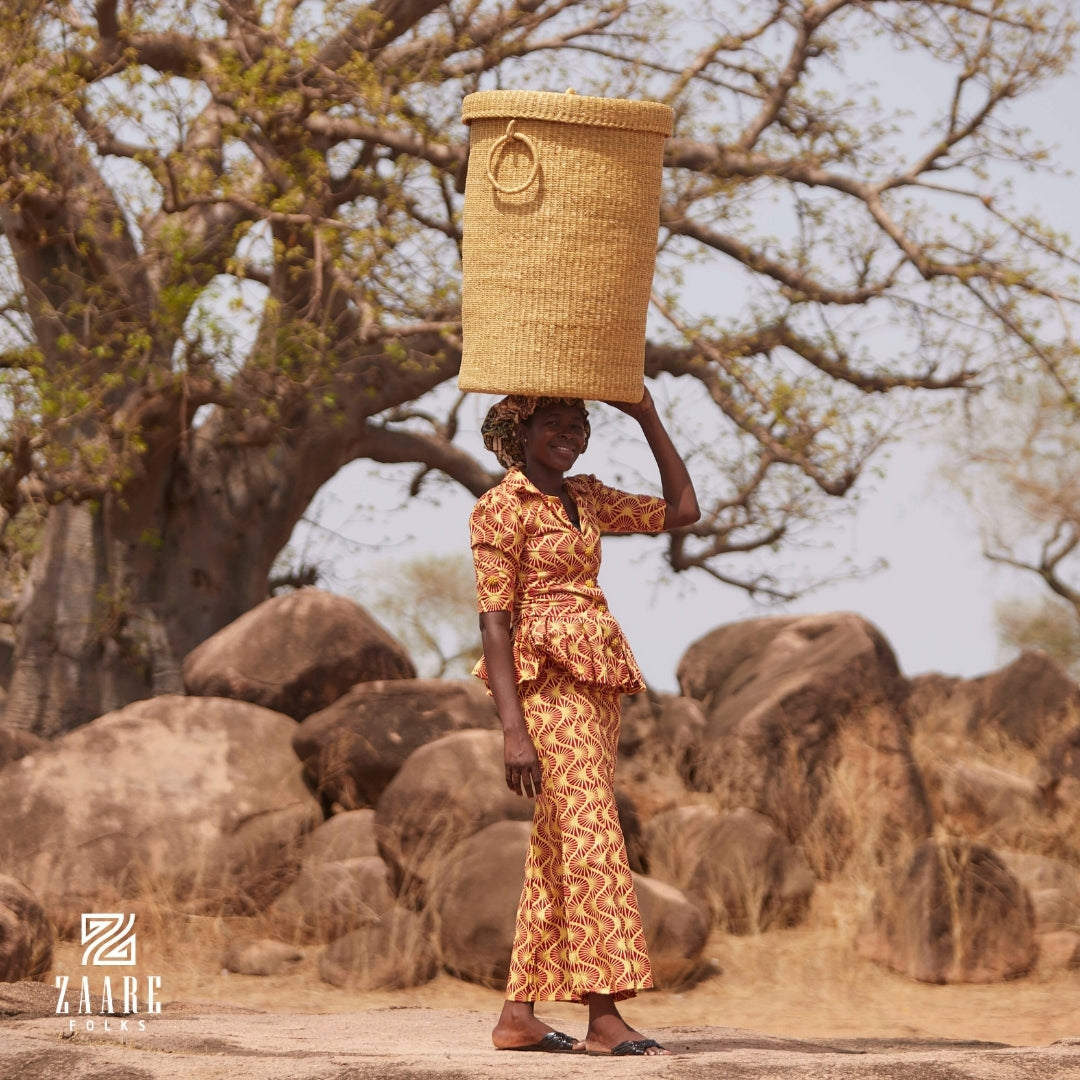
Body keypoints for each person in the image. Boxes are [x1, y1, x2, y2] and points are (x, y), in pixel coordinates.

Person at [469, 388, 700, 1056]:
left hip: (597, 684)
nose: (569, 433)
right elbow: (494, 622)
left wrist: (647, 415)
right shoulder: (500, 508)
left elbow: (683, 510)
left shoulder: (588, 497)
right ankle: (603, 1015)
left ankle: (518, 1015)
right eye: (553, 423)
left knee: (557, 844)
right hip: (545, 689)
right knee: (596, 838)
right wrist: (513, 730)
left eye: (578, 423)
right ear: (522, 431)